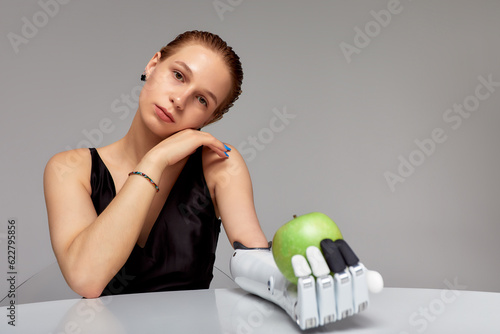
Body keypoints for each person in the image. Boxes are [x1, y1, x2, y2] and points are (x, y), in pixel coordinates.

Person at [44, 30, 269, 298]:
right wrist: (154, 161)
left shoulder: (219, 164)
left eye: (201, 99)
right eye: (178, 75)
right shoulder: (70, 169)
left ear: (211, 117)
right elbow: (86, 278)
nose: (179, 100)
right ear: (152, 65)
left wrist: (296, 274)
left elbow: (256, 262)